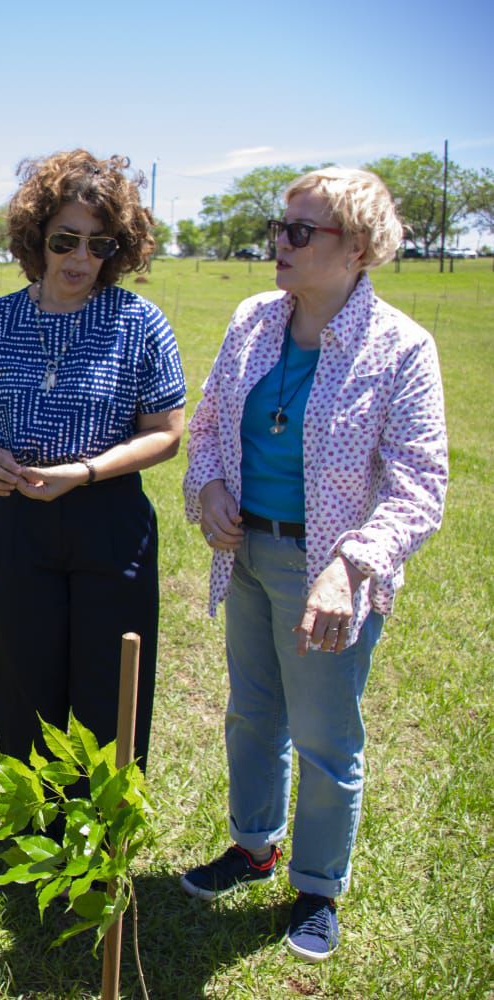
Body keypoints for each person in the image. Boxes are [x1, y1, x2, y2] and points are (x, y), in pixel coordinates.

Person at [178, 168, 447, 963]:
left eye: (302, 231)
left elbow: (419, 484)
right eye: (280, 227)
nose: (280, 244)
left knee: (328, 737)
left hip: (330, 576)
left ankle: (318, 887)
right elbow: (210, 424)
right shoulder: (253, 318)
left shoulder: (401, 347)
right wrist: (211, 488)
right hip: (248, 555)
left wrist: (351, 566)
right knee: (253, 714)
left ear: (358, 249)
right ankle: (254, 845)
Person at [0, 150, 186, 799]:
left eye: (97, 243)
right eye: (65, 240)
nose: (80, 258)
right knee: (25, 673)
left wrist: (83, 472)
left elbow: (167, 434)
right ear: (37, 239)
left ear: (119, 248)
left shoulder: (140, 323)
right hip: (21, 520)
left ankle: (99, 825)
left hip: (109, 521)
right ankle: (36, 816)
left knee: (108, 679)